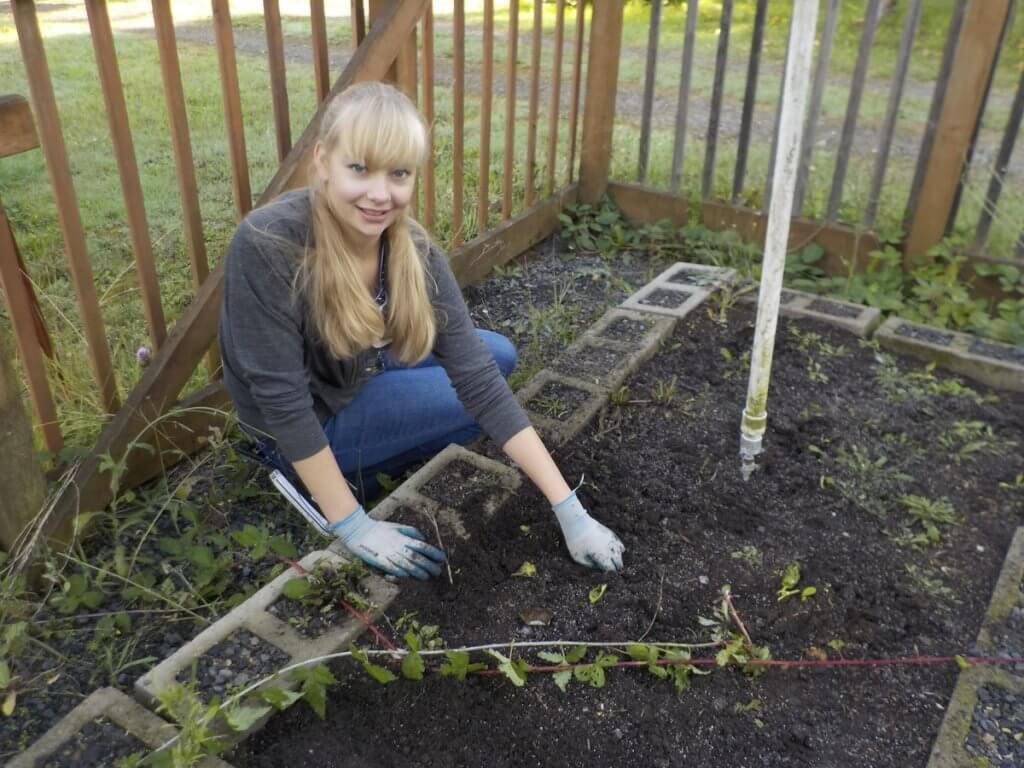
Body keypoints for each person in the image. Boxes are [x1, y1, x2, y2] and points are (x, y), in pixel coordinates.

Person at [219, 81, 624, 581]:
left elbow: (477, 373)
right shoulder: (268, 246)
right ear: (322, 161)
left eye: (398, 173)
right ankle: (324, 480)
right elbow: (281, 401)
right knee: (467, 408)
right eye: (359, 168)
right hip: (307, 418)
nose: (379, 193)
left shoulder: (409, 248)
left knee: (497, 357)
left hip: (354, 369)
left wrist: (571, 512)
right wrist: (354, 527)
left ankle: (376, 436)